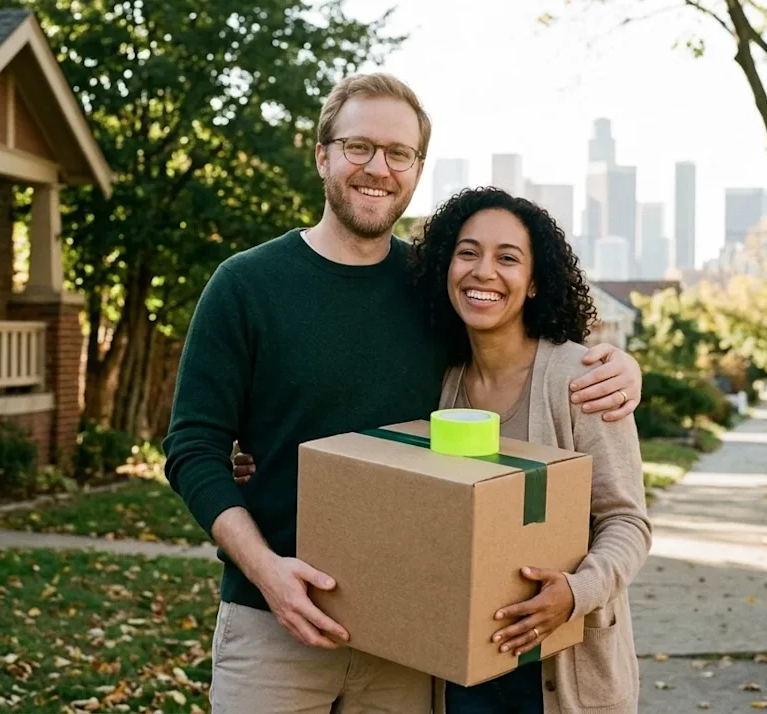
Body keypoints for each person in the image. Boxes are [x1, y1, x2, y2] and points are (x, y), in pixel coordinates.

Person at [163, 72, 644, 713]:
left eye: (399, 154)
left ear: (417, 169)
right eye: (359, 147)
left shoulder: (430, 291)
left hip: (412, 641)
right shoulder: (246, 285)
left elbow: (516, 331)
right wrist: (266, 572)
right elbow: (193, 447)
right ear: (323, 154)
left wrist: (620, 366)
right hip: (275, 623)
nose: (377, 169)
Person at [409, 186, 652, 714]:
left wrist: (576, 592)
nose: (483, 271)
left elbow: (627, 521)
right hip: (461, 675)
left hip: (563, 672)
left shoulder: (581, 380)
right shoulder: (440, 384)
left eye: (508, 258)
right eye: (468, 252)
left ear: (536, 282)